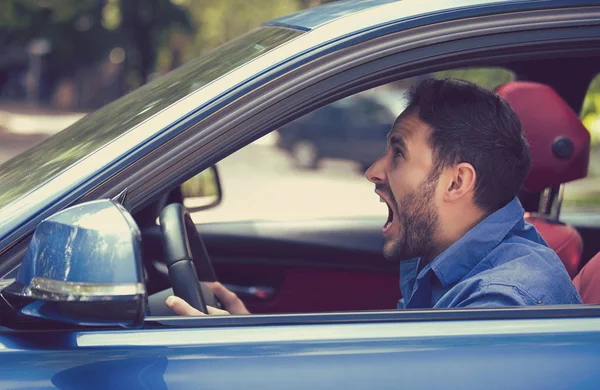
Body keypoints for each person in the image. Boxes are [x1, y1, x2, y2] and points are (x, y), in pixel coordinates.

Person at [166, 77, 582, 316]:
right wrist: (249, 344)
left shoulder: (499, 306)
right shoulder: (440, 260)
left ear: (456, 183)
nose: (373, 172)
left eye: (398, 154)